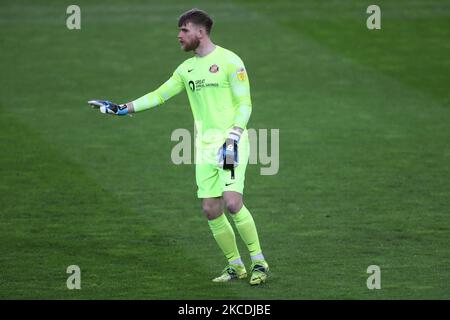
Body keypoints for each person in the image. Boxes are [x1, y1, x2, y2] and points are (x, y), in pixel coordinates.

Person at [88, 8, 269, 285]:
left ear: (200, 32)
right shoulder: (186, 69)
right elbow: (160, 95)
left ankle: (259, 262)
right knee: (211, 208)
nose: (179, 36)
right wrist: (122, 108)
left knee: (232, 202)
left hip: (231, 142)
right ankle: (235, 265)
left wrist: (233, 135)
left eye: (184, 30)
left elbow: (245, 103)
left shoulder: (230, 61)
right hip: (205, 147)